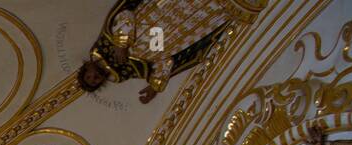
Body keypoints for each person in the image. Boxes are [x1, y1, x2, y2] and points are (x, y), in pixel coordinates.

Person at [78, 0, 237, 103]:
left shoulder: (108, 41)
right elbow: (165, 62)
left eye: (89, 76)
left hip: (158, 14)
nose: (94, 78)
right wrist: (155, 86)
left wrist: (122, 43)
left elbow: (126, 15)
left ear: (87, 66)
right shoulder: (130, 70)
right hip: (168, 37)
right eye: (94, 82)